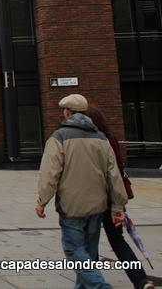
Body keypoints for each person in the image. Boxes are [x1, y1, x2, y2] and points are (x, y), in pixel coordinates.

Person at [36, 94, 128, 289]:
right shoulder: (101, 138)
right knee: (88, 251)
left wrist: (42, 200)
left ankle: (101, 286)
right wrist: (118, 205)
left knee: (73, 250)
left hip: (72, 205)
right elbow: (114, 174)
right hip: (98, 206)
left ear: (67, 112)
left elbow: (50, 173)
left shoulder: (59, 137)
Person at [85, 109, 153, 289]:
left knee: (90, 241)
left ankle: (93, 282)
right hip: (113, 197)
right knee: (117, 240)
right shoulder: (111, 139)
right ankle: (141, 280)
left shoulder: (89, 142)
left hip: (93, 197)